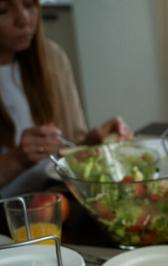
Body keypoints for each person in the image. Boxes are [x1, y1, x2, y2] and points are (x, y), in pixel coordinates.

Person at [0, 0, 132, 194]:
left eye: (29, 5)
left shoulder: (53, 59)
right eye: (3, 10)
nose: (24, 20)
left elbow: (68, 148)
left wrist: (93, 141)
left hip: (57, 200)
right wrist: (16, 160)